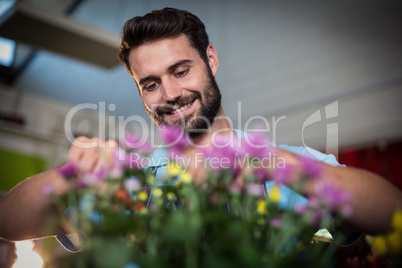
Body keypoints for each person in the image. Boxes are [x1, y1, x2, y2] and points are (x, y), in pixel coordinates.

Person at [0, 8, 401, 248]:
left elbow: (391, 213)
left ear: (210, 59)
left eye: (181, 70)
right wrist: (72, 176)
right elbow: (7, 223)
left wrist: (279, 165)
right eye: (151, 83)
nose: (170, 93)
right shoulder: (128, 178)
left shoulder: (285, 165)